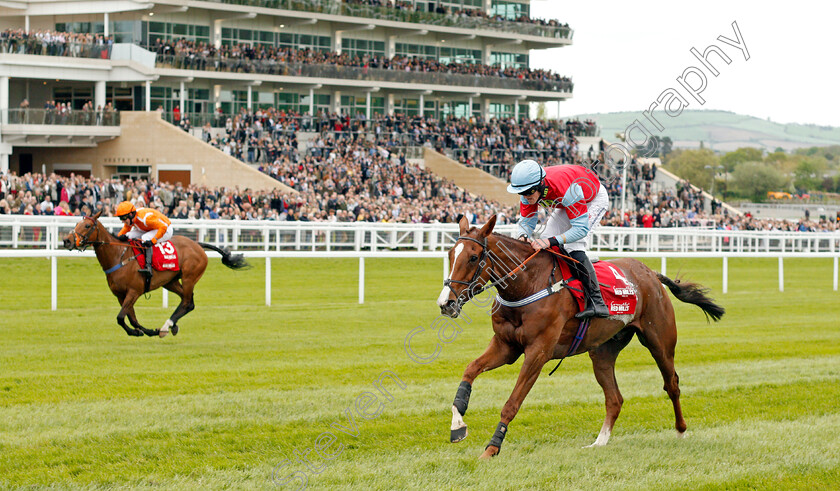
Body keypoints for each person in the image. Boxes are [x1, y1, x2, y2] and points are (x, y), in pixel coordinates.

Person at [506, 160, 610, 319]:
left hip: (592, 199)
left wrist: (551, 241)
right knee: (544, 238)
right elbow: (526, 221)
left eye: (530, 192)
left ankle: (597, 302)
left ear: (540, 184)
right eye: (522, 193)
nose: (526, 196)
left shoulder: (566, 189)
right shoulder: (529, 189)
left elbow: (580, 229)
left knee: (572, 247)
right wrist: (523, 236)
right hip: (565, 202)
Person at [114, 201, 173, 278]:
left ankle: (148, 267)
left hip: (165, 229)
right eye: (120, 218)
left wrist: (153, 241)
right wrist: (119, 237)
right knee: (128, 235)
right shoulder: (132, 218)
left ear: (131, 214)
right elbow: (126, 228)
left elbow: (163, 227)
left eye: (123, 218)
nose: (122, 221)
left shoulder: (145, 218)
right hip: (149, 228)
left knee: (145, 238)